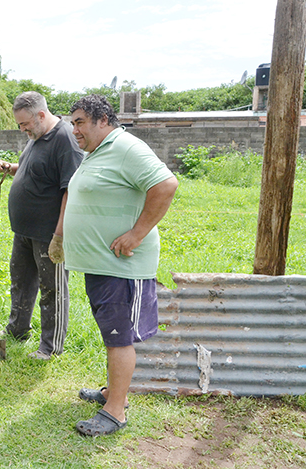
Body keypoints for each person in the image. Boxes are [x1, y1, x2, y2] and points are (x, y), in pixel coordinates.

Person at [63, 95, 178, 436]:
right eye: (72, 123)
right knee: (111, 334)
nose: (74, 130)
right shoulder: (98, 152)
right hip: (102, 265)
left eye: (80, 122)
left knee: (118, 339)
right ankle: (112, 392)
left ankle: (115, 412)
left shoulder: (127, 147)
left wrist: (137, 234)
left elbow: (166, 185)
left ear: (102, 120)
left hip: (121, 266)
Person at [0, 91, 83, 360]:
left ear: (41, 115)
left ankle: (50, 346)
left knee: (52, 290)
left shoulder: (64, 139)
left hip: (48, 233)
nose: (22, 129)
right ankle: (17, 329)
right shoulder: (36, 137)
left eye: (25, 124)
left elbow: (71, 189)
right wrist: (10, 167)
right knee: (21, 282)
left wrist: (59, 236)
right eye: (20, 124)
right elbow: (34, 169)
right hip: (24, 231)